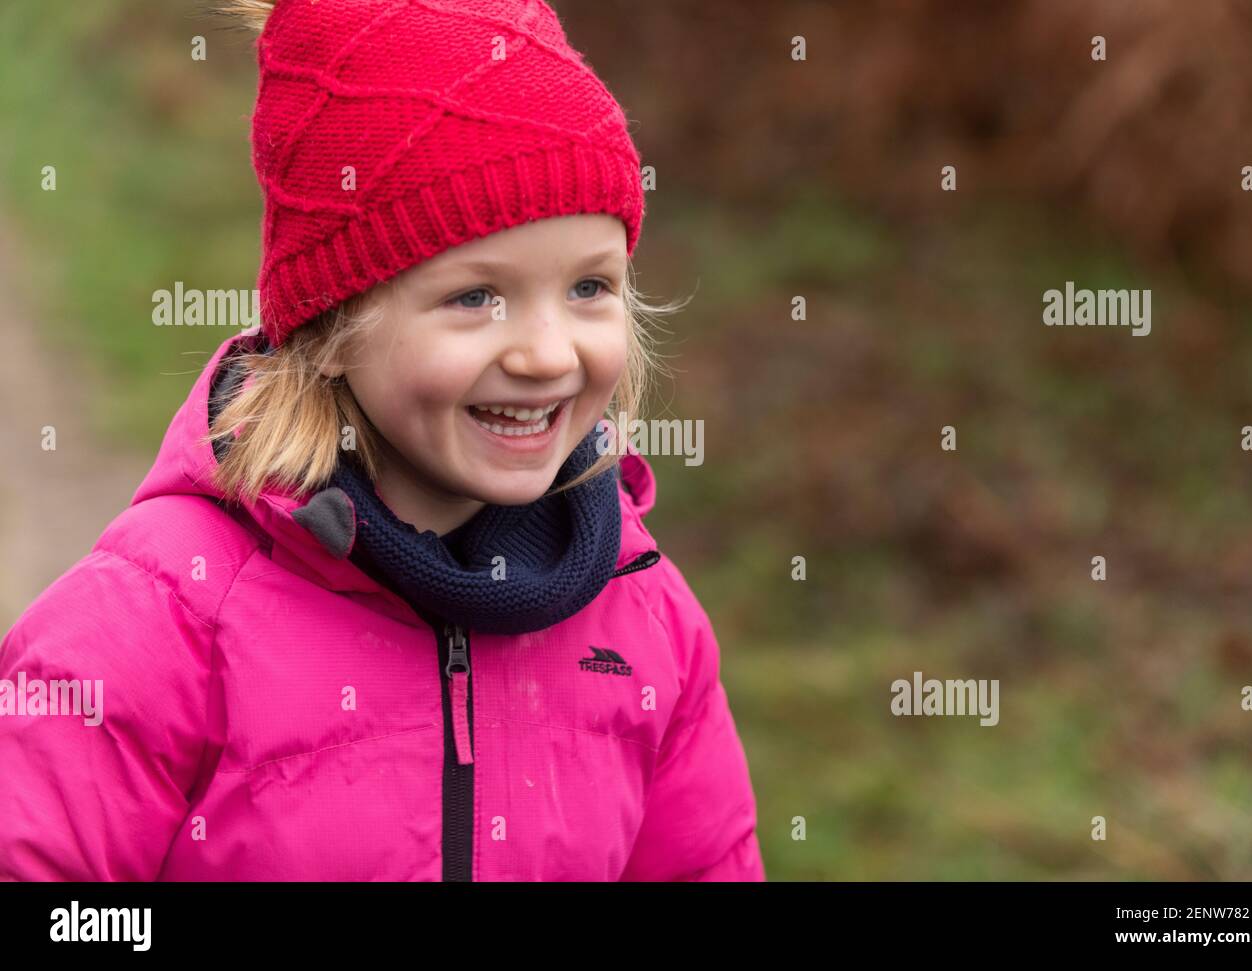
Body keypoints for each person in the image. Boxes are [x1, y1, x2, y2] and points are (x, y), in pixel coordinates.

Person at [0, 0, 764, 881]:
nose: (548, 352)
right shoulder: (161, 623)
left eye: (589, 286)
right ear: (332, 325)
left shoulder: (647, 621)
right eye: (476, 297)